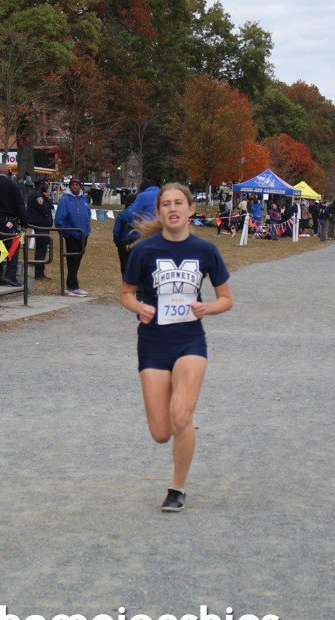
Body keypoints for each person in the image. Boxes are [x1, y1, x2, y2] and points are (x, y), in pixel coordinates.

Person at [119, 183, 233, 512]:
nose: (173, 208)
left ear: (190, 210)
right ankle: (175, 430)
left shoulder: (206, 250)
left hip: (190, 341)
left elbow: (226, 299)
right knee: (160, 432)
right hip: (153, 344)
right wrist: (139, 307)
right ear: (159, 212)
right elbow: (126, 294)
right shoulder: (143, 250)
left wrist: (207, 307)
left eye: (179, 203)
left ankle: (177, 488)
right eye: (166, 204)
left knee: (181, 417)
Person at [0, 163, 28, 286]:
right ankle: (10, 276)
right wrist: (24, 222)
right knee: (12, 248)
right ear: (7, 172)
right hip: (8, 222)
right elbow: (20, 205)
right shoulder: (13, 185)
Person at [54, 177, 91, 296]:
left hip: (83, 234)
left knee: (78, 259)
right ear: (70, 186)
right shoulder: (65, 200)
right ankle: (72, 285)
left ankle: (72, 282)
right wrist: (66, 234)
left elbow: (88, 214)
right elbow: (59, 219)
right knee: (72, 260)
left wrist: (87, 230)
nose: (75, 187)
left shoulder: (83, 199)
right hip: (71, 234)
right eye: (73, 185)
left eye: (77, 185)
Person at [114, 178, 157, 274]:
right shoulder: (158, 198)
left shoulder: (123, 214)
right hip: (142, 239)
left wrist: (118, 242)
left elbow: (116, 231)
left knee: (125, 268)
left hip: (125, 241)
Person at [25, 175, 53, 280]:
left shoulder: (36, 193)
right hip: (40, 225)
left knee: (42, 248)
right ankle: (39, 272)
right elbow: (44, 209)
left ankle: (40, 271)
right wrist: (48, 200)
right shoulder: (38, 195)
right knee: (41, 249)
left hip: (41, 224)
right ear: (41, 184)